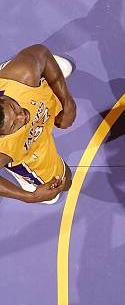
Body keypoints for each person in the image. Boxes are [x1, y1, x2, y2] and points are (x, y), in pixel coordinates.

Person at [0, 44, 76, 203]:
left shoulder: (22, 76)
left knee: (37, 63)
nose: (23, 116)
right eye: (14, 125)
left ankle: (37, 74)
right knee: (65, 181)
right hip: (28, 149)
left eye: (14, 108)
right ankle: (21, 174)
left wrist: (68, 103)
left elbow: (41, 52)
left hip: (35, 99)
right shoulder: (3, 151)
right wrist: (30, 196)